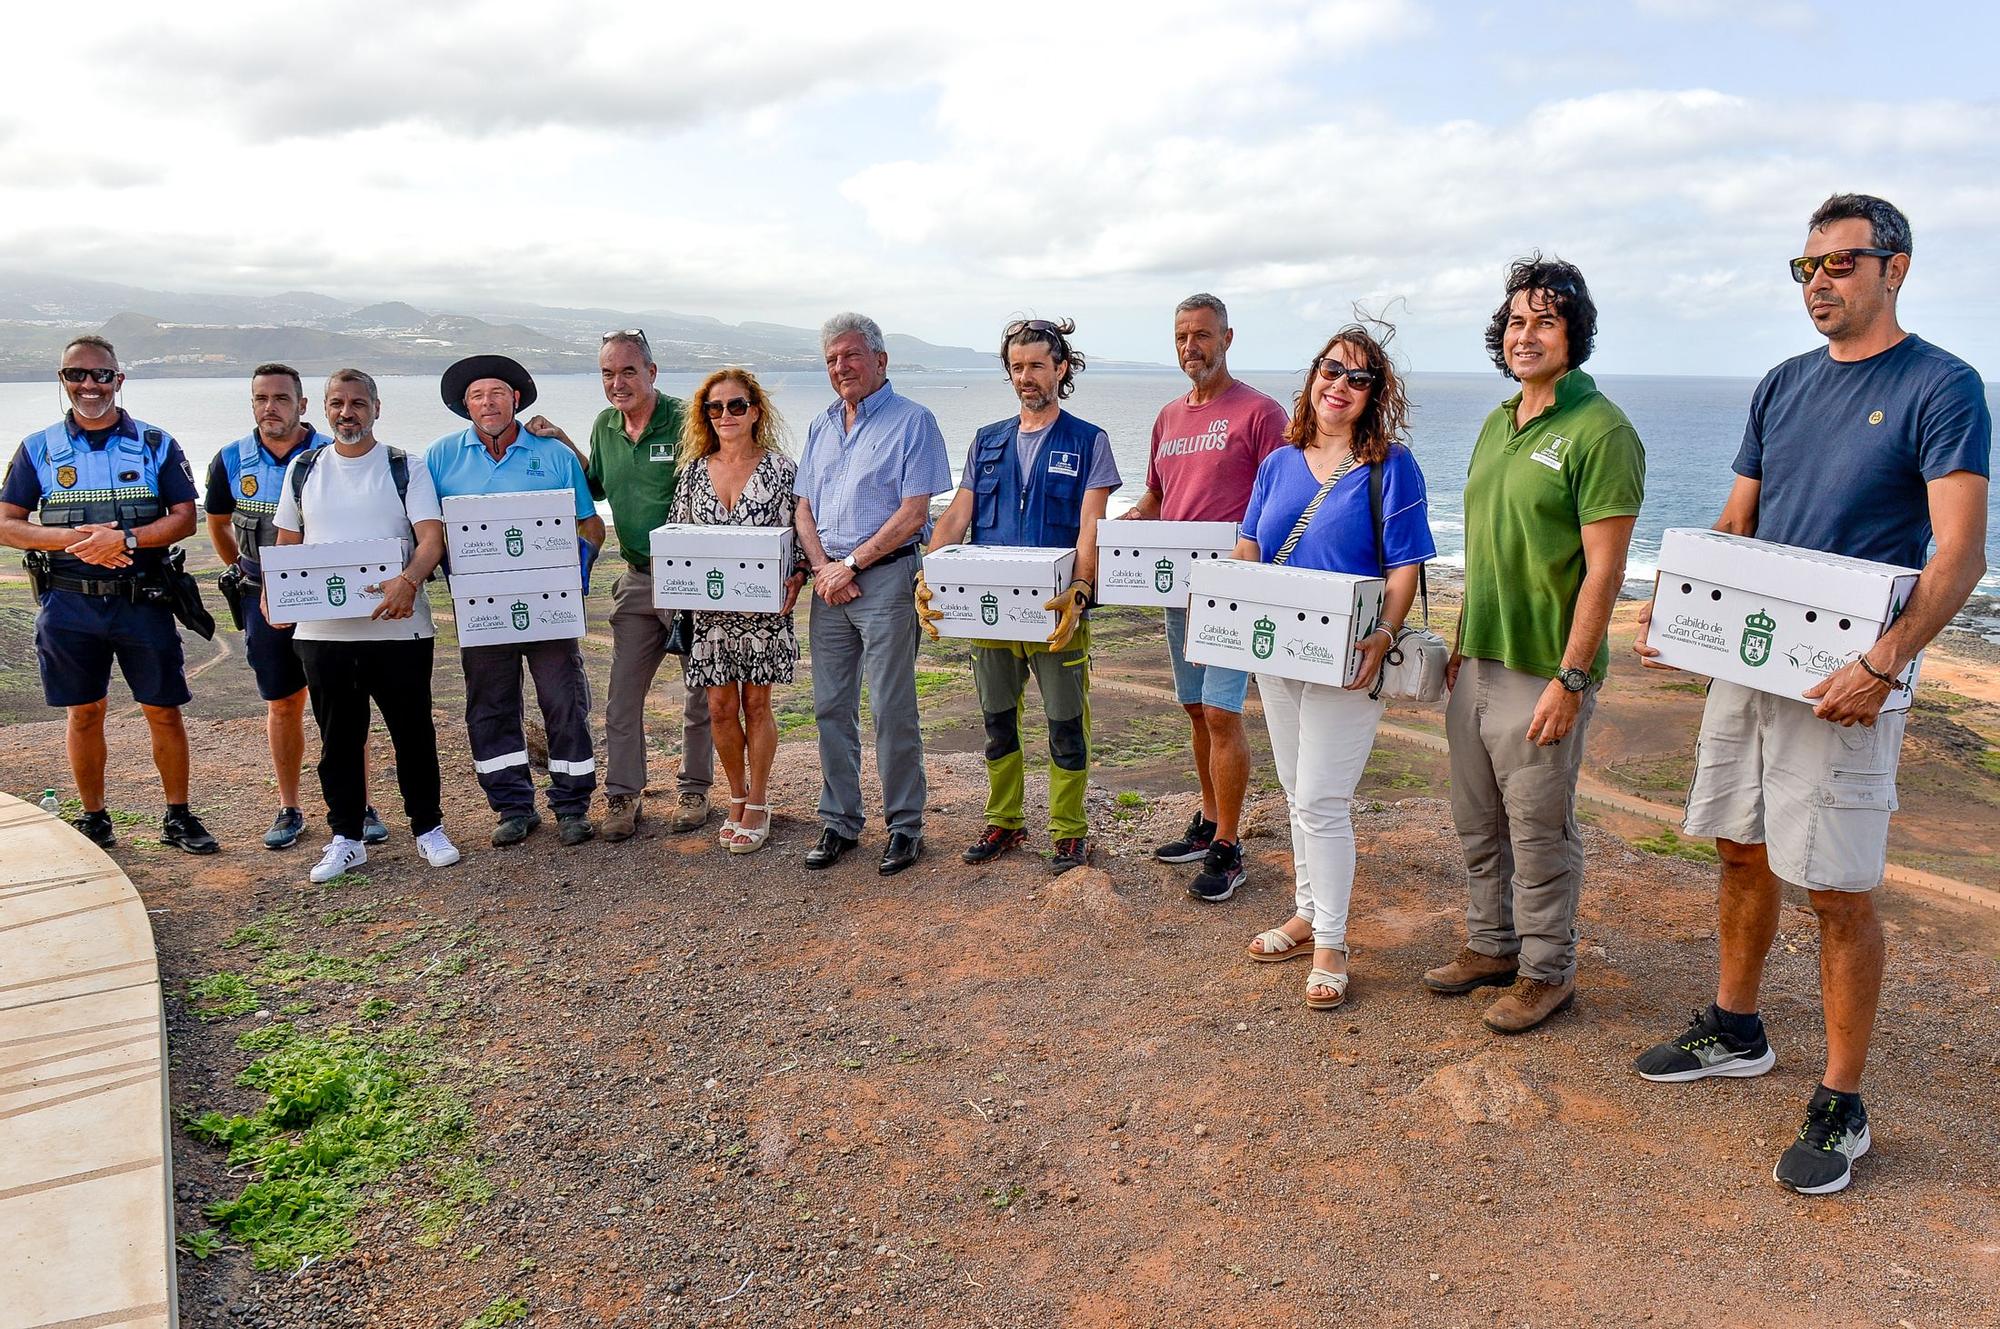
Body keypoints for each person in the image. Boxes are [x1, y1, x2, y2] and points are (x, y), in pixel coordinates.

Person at [1632, 194, 1990, 1195]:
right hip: (1752, 665)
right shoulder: (1780, 384)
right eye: (1804, 268)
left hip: (1847, 678)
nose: (1818, 282)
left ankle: (1840, 1101)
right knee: (1738, 845)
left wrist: (1883, 666)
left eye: (1838, 263)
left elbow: (1956, 555)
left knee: (1834, 886)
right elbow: (1735, 521)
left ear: (1895, 267)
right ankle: (1735, 1028)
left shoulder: (1942, 385)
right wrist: (1679, 614)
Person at [1422, 256, 1645, 1034]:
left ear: (1574, 334)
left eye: (1546, 320)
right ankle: (1492, 945)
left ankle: (1548, 971)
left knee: (1539, 828)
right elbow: (1486, 548)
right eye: (1516, 320)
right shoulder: (1497, 422)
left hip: (1544, 669)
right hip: (1478, 658)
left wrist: (1572, 677)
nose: (1527, 334)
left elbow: (1607, 571)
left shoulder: (1602, 429)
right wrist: (1458, 643)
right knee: (1476, 819)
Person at [1235, 326, 1434, 1009]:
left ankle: (1333, 941)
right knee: (1297, 790)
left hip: (1349, 656)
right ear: (1313, 376)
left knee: (1322, 798)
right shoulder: (1279, 461)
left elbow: (1405, 565)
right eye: (1331, 370)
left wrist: (1384, 631)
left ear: (1375, 395)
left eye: (1357, 378)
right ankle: (1304, 910)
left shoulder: (1391, 466)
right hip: (1278, 651)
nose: (1339, 386)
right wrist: (1236, 620)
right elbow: (1249, 547)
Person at [0, 335, 219, 853]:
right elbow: (8, 524)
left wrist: (124, 540)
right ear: (63, 380)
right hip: (68, 603)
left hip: (141, 599)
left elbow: (185, 517)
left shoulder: (156, 443)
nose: (89, 385)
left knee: (163, 709)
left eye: (101, 375)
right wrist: (78, 541)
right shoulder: (37, 448)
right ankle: (95, 818)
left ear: (119, 379)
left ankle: (178, 817)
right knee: (84, 712)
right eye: (77, 375)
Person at [919, 319, 1120, 873]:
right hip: (990, 612)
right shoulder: (986, 440)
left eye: (1036, 365)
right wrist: (929, 574)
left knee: (1064, 724)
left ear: (1061, 368)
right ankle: (1004, 821)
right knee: (997, 721)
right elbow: (957, 515)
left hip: (1058, 612)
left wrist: (1082, 588)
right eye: (1017, 367)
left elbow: (1091, 527)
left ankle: (1070, 831)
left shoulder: (1089, 441)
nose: (1026, 377)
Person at [1118, 293, 1289, 900]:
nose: (1192, 346)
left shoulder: (1262, 413)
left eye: (1203, 335)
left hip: (1234, 588)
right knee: (1195, 709)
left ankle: (1229, 846)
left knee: (1222, 712)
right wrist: (1135, 518)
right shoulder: (1168, 418)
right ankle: (1211, 820)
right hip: (1178, 587)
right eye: (1182, 337)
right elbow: (1159, 497)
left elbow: (1284, 497)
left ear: (1228, 338)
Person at [268, 369, 459, 882]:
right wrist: (276, 592)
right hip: (322, 633)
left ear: (377, 408)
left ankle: (428, 828)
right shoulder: (304, 469)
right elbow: (289, 541)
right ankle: (346, 838)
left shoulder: (405, 466)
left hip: (400, 629)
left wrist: (408, 582)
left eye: (357, 403)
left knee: (413, 734)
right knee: (339, 740)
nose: (346, 412)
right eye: (337, 403)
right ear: (323, 409)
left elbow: (431, 539)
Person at [529, 331, 714, 842]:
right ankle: (623, 795)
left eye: (628, 371)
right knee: (621, 697)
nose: (617, 383)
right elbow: (596, 487)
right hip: (636, 578)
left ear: (652, 373)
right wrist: (564, 443)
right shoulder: (605, 425)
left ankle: (695, 787)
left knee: (700, 692)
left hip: (691, 581)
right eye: (608, 373)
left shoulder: (686, 421)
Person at [792, 313, 953, 875]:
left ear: (881, 361)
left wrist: (852, 563)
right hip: (830, 584)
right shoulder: (820, 425)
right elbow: (803, 506)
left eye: (852, 355)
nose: (841, 367)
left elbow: (914, 514)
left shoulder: (915, 422)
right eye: (833, 358)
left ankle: (905, 827)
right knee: (831, 707)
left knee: (891, 708)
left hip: (885, 579)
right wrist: (822, 567)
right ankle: (839, 821)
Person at [204, 364, 389, 851]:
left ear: (303, 405)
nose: (271, 408)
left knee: (345, 706)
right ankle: (289, 807)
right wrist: (254, 575)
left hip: (329, 597)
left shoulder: (332, 453)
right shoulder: (230, 459)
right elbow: (219, 521)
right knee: (283, 702)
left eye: (282, 398)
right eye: (261, 398)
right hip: (261, 598)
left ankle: (361, 804)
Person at [426, 354, 605, 848]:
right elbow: (429, 531)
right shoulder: (439, 457)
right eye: (478, 396)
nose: (488, 402)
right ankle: (512, 807)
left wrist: (576, 576)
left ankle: (572, 807)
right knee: (490, 706)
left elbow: (591, 527)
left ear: (516, 400)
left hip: (548, 605)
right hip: (481, 610)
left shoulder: (553, 454)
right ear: (466, 406)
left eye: (497, 393)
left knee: (564, 701)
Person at [668, 369, 807, 854]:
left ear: (755, 411)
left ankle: (761, 801)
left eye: (736, 405)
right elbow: (677, 540)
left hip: (765, 611)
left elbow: (803, 534)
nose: (725, 415)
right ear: (704, 415)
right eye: (715, 407)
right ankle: (736, 795)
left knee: (757, 704)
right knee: (719, 708)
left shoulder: (783, 469)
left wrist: (801, 573)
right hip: (710, 612)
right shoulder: (690, 472)